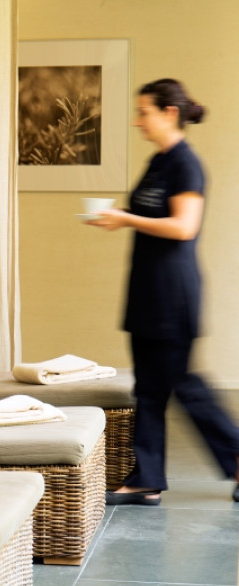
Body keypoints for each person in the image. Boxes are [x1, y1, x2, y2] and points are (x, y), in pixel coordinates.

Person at [87, 78, 239, 505]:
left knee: (183, 383)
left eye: (144, 113)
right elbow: (147, 213)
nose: (138, 122)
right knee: (149, 390)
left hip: (174, 294)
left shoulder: (186, 164)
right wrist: (117, 215)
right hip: (147, 292)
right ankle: (147, 478)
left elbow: (184, 227)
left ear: (169, 113)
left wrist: (126, 219)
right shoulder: (158, 161)